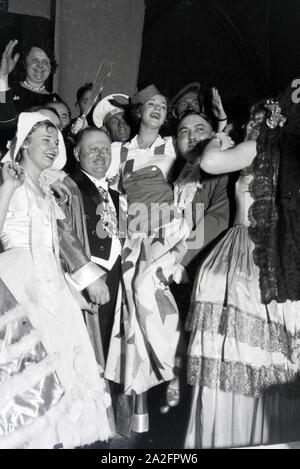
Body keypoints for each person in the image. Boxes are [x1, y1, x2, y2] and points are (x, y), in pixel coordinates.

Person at [185, 82, 300, 449]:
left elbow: (210, 161)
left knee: (236, 356)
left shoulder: (262, 148)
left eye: (260, 119)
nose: (255, 125)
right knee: (271, 360)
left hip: (244, 260)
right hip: (283, 265)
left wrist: (219, 134)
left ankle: (227, 438)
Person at [0, 112, 114, 448]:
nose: (53, 146)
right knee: (30, 367)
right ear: (25, 143)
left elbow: (56, 246)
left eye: (56, 140)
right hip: (18, 280)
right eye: (45, 139)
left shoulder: (48, 191)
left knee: (63, 363)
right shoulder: (8, 177)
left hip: (50, 280)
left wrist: (72, 290)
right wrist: (8, 186)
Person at [105, 84, 191, 435]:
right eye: (150, 104)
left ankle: (176, 369)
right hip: (133, 237)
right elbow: (112, 198)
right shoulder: (118, 151)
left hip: (167, 233)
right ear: (137, 112)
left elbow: (191, 189)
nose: (157, 108)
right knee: (131, 317)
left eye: (163, 104)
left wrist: (186, 245)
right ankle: (139, 405)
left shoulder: (173, 146)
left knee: (150, 297)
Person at [70, 127, 123, 360]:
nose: (101, 155)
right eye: (93, 149)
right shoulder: (67, 188)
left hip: (118, 280)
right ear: (76, 153)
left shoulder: (119, 196)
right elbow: (62, 240)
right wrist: (87, 280)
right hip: (85, 284)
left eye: (105, 149)